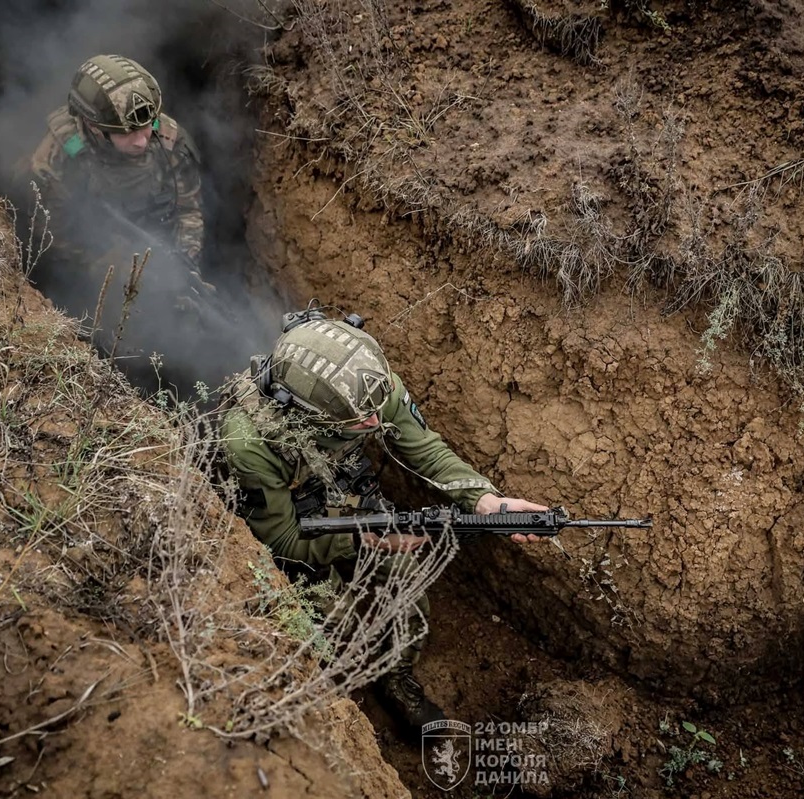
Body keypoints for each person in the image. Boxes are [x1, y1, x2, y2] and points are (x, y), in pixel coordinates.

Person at [222, 307, 547, 731]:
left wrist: (484, 500)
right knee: (333, 621)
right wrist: (363, 541)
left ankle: (397, 677)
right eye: (362, 421)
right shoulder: (249, 442)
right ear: (306, 414)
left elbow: (426, 450)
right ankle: (350, 679)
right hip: (290, 523)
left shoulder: (367, 386)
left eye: (378, 409)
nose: (377, 422)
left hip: (343, 489)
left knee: (407, 581)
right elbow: (280, 541)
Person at [28, 53, 204, 268]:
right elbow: (49, 233)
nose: (141, 141)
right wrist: (98, 265)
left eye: (147, 126)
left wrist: (185, 261)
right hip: (88, 254)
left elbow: (189, 211)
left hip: (154, 246)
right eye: (126, 133)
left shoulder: (170, 142)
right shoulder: (60, 155)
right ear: (94, 127)